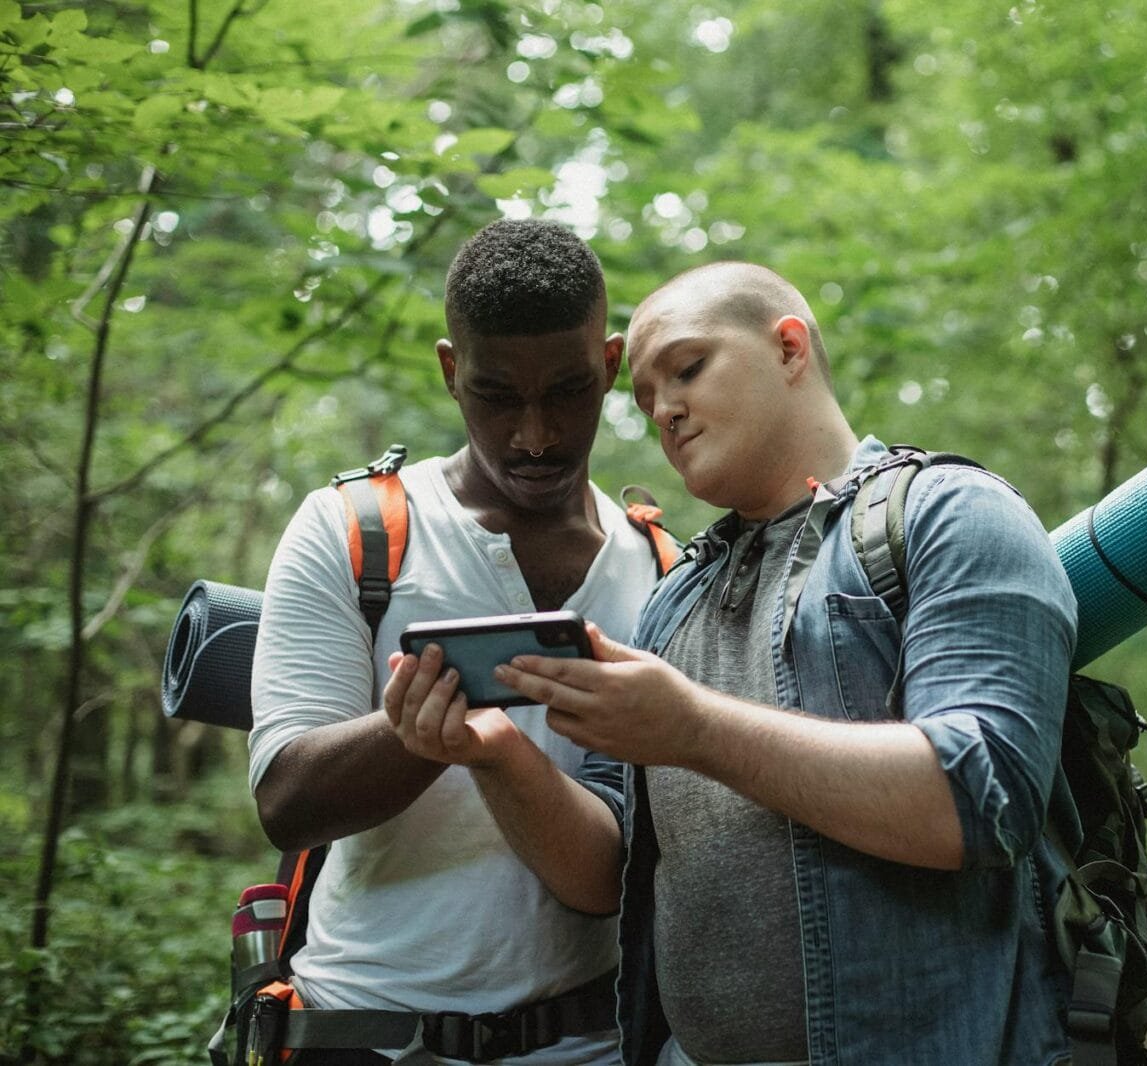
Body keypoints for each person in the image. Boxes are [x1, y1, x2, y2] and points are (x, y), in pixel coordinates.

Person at [389, 262, 1079, 1065]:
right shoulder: (674, 594)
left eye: (687, 369)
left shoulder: (948, 515)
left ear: (789, 349)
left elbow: (984, 795)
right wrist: (496, 754)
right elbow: (604, 879)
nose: (665, 410)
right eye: (646, 400)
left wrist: (693, 728)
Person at [249, 218, 664, 1065]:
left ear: (612, 366)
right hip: (362, 1033)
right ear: (450, 371)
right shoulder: (355, 532)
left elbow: (638, 858)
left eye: (569, 391)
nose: (536, 435)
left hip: (592, 1043)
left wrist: (498, 752)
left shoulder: (663, 569)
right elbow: (286, 801)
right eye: (497, 395)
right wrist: (421, 739)